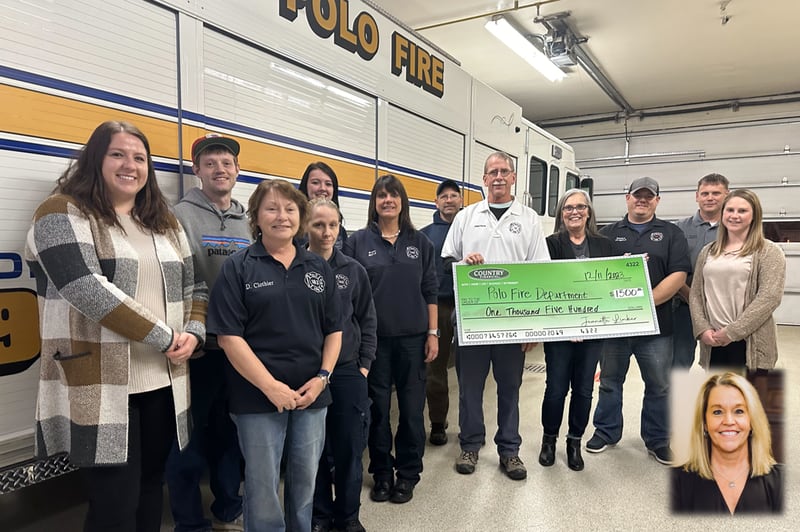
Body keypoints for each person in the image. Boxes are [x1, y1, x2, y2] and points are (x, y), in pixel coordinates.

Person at [24, 120, 207, 531]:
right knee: (114, 505)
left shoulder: (163, 221)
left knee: (149, 491)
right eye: (118, 154)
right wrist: (165, 337)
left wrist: (193, 334)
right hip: (103, 384)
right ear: (96, 159)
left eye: (139, 157)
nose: (130, 165)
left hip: (163, 380)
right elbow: (86, 289)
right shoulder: (61, 211)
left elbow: (196, 285)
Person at [208, 179, 342, 531]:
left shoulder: (318, 268)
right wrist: (271, 387)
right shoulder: (238, 267)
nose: (281, 216)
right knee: (263, 486)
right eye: (271, 208)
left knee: (305, 482)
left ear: (301, 216)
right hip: (255, 396)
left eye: (290, 209)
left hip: (312, 394)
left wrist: (323, 377)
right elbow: (228, 337)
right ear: (256, 217)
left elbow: (335, 330)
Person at [441, 151, 550, 480]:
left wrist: (533, 329)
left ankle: (509, 451)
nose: (498, 176)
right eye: (492, 172)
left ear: (514, 177)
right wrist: (464, 264)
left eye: (504, 171)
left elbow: (539, 276)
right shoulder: (466, 217)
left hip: (512, 324)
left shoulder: (529, 219)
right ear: (484, 179)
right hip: (474, 323)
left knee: (509, 389)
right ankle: (471, 445)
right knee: (470, 388)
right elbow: (447, 263)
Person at [166, 134, 249, 532]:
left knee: (231, 433)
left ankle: (229, 504)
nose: (220, 169)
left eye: (227, 162)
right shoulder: (176, 217)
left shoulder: (249, 219)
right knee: (188, 438)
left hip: (239, 350)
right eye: (211, 162)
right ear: (196, 169)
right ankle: (189, 521)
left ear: (237, 170)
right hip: (195, 349)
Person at [343, 174, 438, 504]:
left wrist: (433, 333)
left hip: (413, 340)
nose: (388, 200)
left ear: (402, 201)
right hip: (374, 343)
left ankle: (408, 474)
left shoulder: (420, 243)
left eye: (393, 195)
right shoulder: (357, 242)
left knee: (412, 412)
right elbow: (350, 293)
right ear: (374, 202)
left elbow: (430, 291)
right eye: (381, 195)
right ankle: (382, 472)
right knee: (378, 411)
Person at [587, 177, 690, 465]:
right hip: (615, 325)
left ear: (657, 200)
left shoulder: (671, 234)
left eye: (648, 196)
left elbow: (679, 274)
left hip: (656, 326)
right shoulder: (606, 234)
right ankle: (606, 431)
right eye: (637, 195)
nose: (642, 200)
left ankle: (657, 440)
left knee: (658, 384)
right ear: (627, 198)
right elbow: (593, 276)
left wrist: (646, 302)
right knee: (609, 380)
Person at [307, 198, 377, 532]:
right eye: (319, 225)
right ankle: (320, 515)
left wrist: (363, 365)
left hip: (348, 370)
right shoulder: (296, 268)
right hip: (307, 371)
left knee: (350, 447)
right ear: (306, 225)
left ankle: (348, 516)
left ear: (340, 226)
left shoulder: (353, 270)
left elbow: (367, 320)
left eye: (333, 225)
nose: (326, 232)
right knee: (314, 449)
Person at [539, 189, 614, 472]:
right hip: (559, 331)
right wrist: (566, 324)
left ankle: (574, 441)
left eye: (580, 207)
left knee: (583, 389)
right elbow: (545, 285)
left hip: (593, 330)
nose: (575, 212)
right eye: (568, 207)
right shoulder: (550, 244)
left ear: (589, 212)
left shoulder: (604, 245)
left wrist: (632, 266)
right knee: (556, 388)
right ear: (561, 213)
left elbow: (609, 282)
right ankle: (549, 440)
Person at [689, 189, 786, 373]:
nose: (735, 216)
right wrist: (702, 329)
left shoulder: (769, 251)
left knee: (752, 400)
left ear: (754, 215)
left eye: (742, 211)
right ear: (722, 213)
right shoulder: (708, 251)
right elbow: (696, 294)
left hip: (749, 344)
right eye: (730, 210)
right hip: (714, 342)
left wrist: (732, 332)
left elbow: (769, 297)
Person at [671, 372, 783, 513]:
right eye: (717, 412)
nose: (729, 421)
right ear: (704, 423)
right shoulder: (676, 482)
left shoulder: (782, 481)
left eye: (739, 411)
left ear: (752, 421)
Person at [420, 179, 463, 446]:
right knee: (436, 369)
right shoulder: (424, 235)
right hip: (438, 307)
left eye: (454, 196)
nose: (449, 200)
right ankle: (438, 422)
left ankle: (471, 426)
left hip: (468, 306)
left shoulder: (471, 228)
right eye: (443, 196)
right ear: (436, 203)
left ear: (461, 200)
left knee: (471, 370)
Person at [672, 173, 730, 369]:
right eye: (705, 193)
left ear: (727, 195)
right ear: (697, 196)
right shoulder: (678, 229)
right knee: (678, 363)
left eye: (716, 193)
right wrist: (694, 300)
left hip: (722, 309)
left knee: (719, 364)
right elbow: (671, 270)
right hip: (683, 308)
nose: (710, 197)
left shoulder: (734, 228)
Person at [299, 161, 348, 248]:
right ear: (305, 186)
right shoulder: (292, 227)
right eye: (315, 182)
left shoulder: (341, 232)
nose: (322, 188)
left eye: (328, 184)